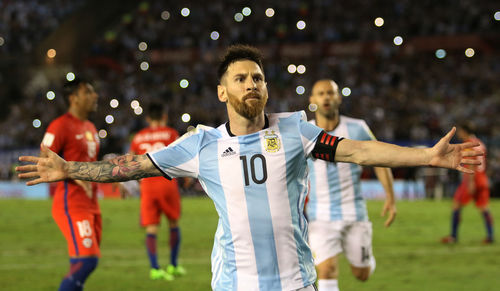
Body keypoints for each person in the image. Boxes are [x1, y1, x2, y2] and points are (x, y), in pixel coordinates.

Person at [18, 45, 483, 291]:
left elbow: (361, 152)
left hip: (297, 280)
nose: (251, 84)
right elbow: (129, 167)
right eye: (240, 78)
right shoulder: (200, 144)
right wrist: (71, 169)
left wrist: (426, 156)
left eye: (257, 77)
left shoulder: (298, 133)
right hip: (235, 283)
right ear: (223, 92)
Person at [306, 79, 396, 291]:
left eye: (330, 93)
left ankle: (363, 262)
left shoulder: (357, 128)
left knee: (361, 274)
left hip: (354, 214)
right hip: (320, 217)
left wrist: (390, 197)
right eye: (321, 93)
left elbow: (380, 161)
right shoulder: (304, 131)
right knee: (326, 270)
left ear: (338, 98)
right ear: (312, 100)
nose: (326, 97)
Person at [40, 77, 100, 290]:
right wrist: (74, 176)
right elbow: (44, 161)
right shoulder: (59, 125)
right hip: (71, 202)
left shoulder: (91, 127)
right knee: (87, 260)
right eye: (88, 92)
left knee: (79, 262)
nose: (95, 96)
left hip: (91, 203)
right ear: (73, 98)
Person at [129, 102, 185, 280]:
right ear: (164, 116)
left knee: (151, 228)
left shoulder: (138, 137)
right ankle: (173, 266)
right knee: (173, 224)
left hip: (148, 186)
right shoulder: (171, 133)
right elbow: (181, 156)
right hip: (166, 182)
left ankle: (154, 268)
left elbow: (132, 162)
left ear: (147, 119)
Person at [441, 123, 494, 244]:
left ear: (465, 131)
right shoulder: (481, 143)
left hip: (471, 179)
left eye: (460, 131)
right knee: (484, 208)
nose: (459, 134)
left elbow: (471, 162)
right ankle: (490, 236)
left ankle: (453, 237)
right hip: (482, 178)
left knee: (456, 206)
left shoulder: (468, 144)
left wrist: (470, 182)